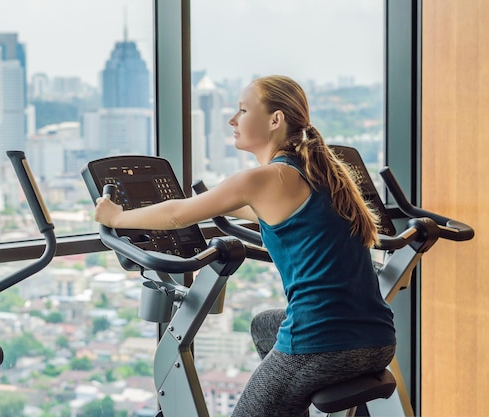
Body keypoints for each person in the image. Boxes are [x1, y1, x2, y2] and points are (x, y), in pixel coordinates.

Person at [94, 75, 396, 417]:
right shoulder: (319, 174)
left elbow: (178, 216)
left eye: (242, 109)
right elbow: (245, 207)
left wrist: (117, 217)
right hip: (377, 338)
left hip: (322, 343)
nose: (232, 120)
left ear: (275, 120)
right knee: (264, 326)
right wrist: (212, 201)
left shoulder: (266, 179)